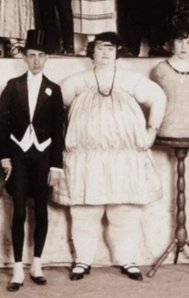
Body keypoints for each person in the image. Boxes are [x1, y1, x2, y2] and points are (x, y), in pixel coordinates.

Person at [53, 32, 165, 282]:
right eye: (100, 48)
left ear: (117, 52)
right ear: (92, 52)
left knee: (124, 211)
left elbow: (158, 97)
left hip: (123, 158)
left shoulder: (130, 80)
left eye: (111, 48)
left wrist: (151, 131)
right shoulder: (76, 81)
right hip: (86, 158)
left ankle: (128, 260)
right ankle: (83, 260)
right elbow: (52, 108)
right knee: (84, 211)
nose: (105, 52)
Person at [0, 30, 65, 291]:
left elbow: (59, 130)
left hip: (44, 157)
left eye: (41, 56)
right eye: (31, 55)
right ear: (24, 57)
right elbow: (1, 126)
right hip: (18, 157)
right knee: (20, 210)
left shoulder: (54, 90)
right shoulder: (13, 86)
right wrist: (4, 158)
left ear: (47, 58)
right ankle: (17, 269)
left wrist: (56, 165)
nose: (36, 61)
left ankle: (37, 264)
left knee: (42, 210)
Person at [152, 25, 189, 140]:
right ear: (173, 43)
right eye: (179, 41)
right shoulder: (161, 68)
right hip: (168, 124)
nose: (184, 46)